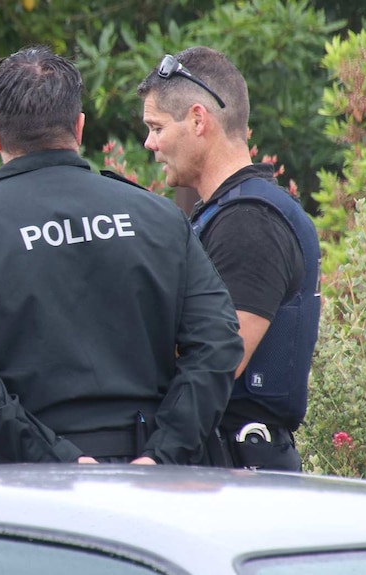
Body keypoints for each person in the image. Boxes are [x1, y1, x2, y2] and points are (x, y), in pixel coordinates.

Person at [0, 46, 244, 466]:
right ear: (79, 127)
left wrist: (54, 460)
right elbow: (218, 343)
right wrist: (163, 455)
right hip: (152, 482)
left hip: (23, 484)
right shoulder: (157, 218)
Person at [137, 46, 321, 471]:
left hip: (238, 470)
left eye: (156, 127)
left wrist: (154, 457)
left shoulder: (249, 222)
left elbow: (219, 361)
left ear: (199, 120)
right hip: (225, 463)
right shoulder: (228, 212)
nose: (150, 143)